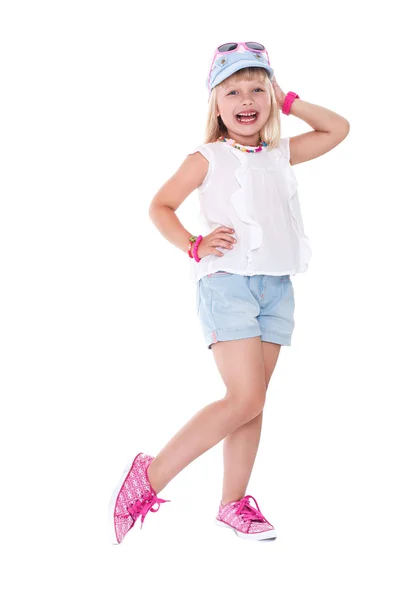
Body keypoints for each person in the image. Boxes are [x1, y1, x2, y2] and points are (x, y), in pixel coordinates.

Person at [108, 41, 350, 545]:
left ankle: (233, 502)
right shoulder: (208, 157)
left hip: (276, 287)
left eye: (257, 89)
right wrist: (194, 245)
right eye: (233, 90)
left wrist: (290, 102)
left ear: (271, 96)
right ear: (216, 105)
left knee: (252, 403)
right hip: (227, 285)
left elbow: (337, 129)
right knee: (244, 396)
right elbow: (160, 206)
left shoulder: (281, 152)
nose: (247, 99)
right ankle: (148, 477)